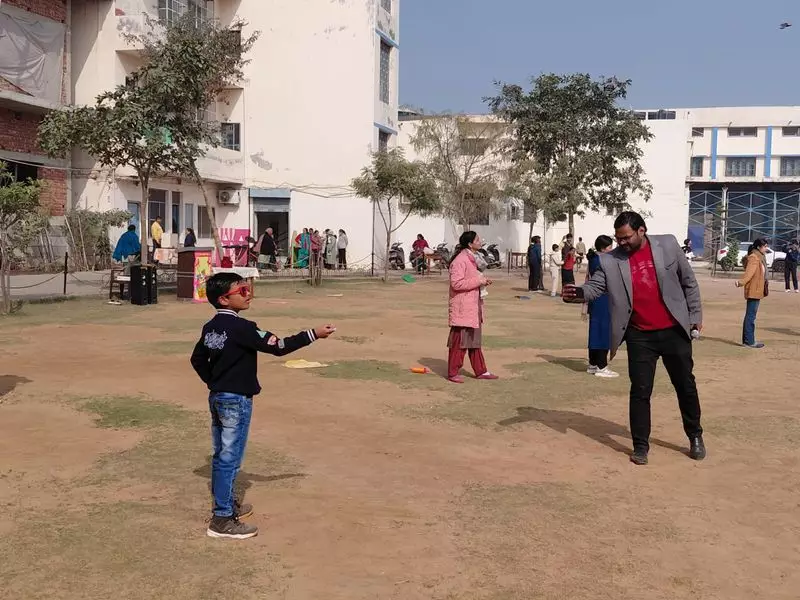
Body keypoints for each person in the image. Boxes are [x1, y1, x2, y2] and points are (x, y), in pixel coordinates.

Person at [190, 273, 336, 539]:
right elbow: (278, 346)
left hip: (219, 397)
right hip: (235, 401)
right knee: (229, 457)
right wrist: (314, 334)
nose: (248, 294)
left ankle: (228, 502)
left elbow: (197, 359)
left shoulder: (210, 327)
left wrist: (214, 382)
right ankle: (222, 519)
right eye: (242, 290)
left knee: (222, 453)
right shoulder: (242, 328)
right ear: (224, 298)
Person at [563, 211, 705, 466]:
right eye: (619, 239)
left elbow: (689, 282)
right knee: (640, 391)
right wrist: (578, 293)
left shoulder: (669, 245)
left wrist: (695, 315)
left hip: (674, 330)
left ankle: (695, 435)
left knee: (685, 385)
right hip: (640, 335)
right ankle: (641, 446)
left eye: (626, 237)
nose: (622, 243)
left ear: (642, 231)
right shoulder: (609, 260)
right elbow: (596, 287)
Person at [447, 231, 498, 383]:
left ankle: (481, 370)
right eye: (477, 239)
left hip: (474, 305)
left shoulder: (474, 259)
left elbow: (472, 278)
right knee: (459, 342)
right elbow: (456, 284)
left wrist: (482, 281)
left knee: (475, 341)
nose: (480, 241)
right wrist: (479, 281)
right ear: (470, 244)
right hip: (463, 307)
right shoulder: (460, 260)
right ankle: (453, 372)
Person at [581, 235, 618, 378]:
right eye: (610, 247)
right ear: (604, 248)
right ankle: (602, 366)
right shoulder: (604, 260)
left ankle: (593, 363)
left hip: (594, 299)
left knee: (595, 331)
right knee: (604, 332)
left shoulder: (593, 259)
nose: (612, 250)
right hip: (603, 298)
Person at [736, 239, 769, 348]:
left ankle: (749, 339)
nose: (766, 248)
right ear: (759, 247)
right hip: (753, 290)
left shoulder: (759, 257)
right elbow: (749, 274)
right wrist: (740, 282)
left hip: (757, 289)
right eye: (765, 246)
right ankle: (748, 341)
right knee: (750, 316)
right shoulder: (754, 258)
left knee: (751, 315)